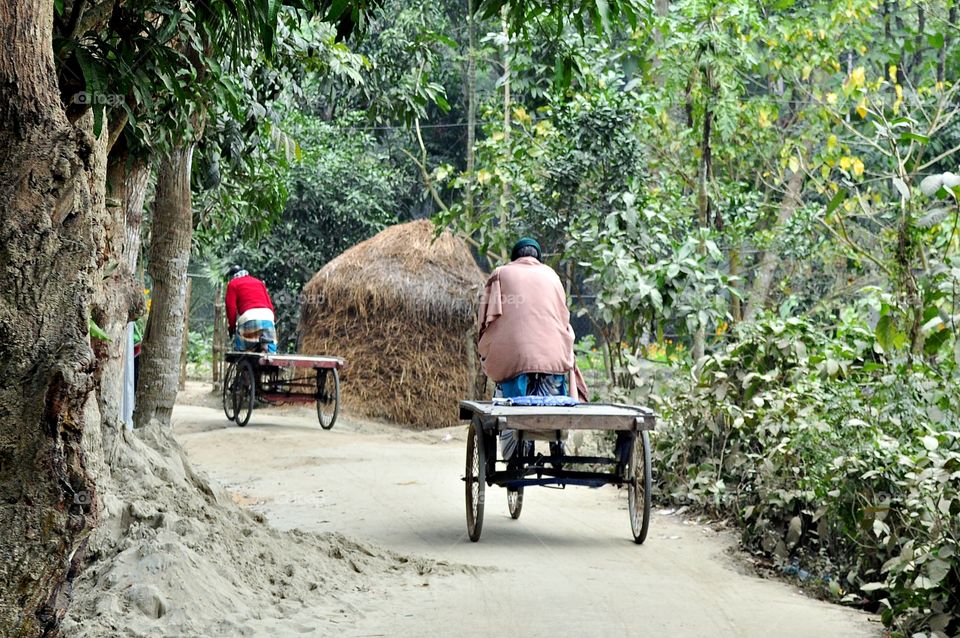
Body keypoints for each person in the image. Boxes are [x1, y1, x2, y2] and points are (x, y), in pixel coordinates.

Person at [477, 238, 593, 466]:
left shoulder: (501, 274)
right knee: (561, 358)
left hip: (514, 362)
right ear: (538, 258)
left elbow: (483, 321)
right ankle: (557, 444)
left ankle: (514, 452)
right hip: (554, 361)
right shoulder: (553, 277)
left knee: (504, 375)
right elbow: (563, 319)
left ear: (515, 257)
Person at [225, 265, 278, 353]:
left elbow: (231, 308)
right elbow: (270, 305)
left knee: (241, 352)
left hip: (249, 318)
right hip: (267, 317)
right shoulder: (258, 282)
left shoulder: (233, 284)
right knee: (271, 352)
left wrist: (232, 327)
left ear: (232, 276)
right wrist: (272, 322)